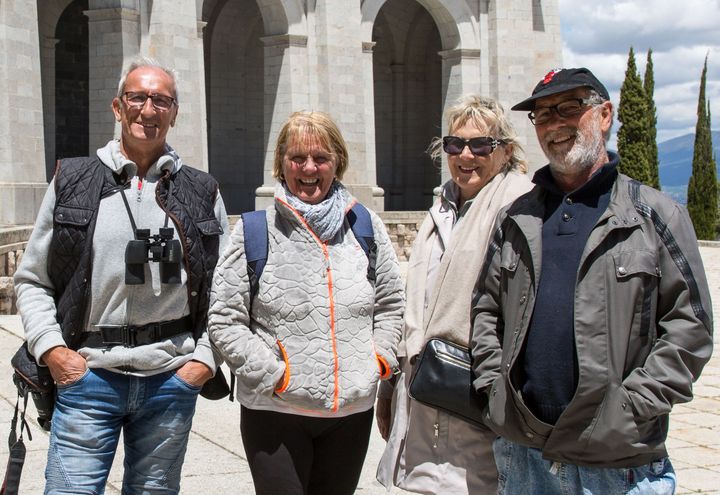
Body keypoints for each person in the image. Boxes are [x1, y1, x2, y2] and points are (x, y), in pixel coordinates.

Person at [470, 67, 714, 494]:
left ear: (604, 115)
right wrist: (494, 388)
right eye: (543, 115)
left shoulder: (655, 216)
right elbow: (486, 309)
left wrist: (630, 409)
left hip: (616, 462)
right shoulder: (518, 218)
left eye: (569, 108)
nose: (555, 123)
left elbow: (690, 327)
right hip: (525, 454)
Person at [13, 57, 230, 494]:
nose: (148, 109)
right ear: (117, 107)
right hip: (87, 374)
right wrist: (54, 353)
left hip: (170, 376)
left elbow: (227, 291)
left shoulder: (201, 189)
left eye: (161, 100)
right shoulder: (74, 179)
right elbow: (32, 280)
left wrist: (204, 362)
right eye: (137, 97)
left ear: (174, 113)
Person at [207, 111, 404, 495]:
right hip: (275, 412)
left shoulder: (365, 226)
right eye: (297, 158)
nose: (309, 168)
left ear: (337, 163)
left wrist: (377, 358)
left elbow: (392, 303)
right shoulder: (253, 230)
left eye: (321, 158)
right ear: (281, 164)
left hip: (350, 412)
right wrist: (274, 375)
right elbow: (224, 319)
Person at [375, 95, 533, 494]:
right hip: (425, 386)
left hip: (473, 392)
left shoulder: (519, 205)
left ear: (506, 151)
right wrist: (393, 378)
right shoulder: (443, 207)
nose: (466, 155)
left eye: (481, 145)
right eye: (455, 144)